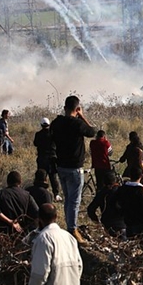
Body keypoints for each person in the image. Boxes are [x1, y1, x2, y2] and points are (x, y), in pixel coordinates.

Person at [50, 95, 98, 244]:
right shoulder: (77, 124)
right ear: (77, 109)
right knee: (74, 201)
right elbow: (92, 132)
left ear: (64, 108)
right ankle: (72, 229)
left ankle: (69, 226)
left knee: (68, 199)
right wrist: (82, 116)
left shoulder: (56, 123)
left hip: (61, 167)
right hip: (74, 168)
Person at [113, 166, 143, 238]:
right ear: (141, 176)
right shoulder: (140, 190)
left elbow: (116, 203)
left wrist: (122, 213)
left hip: (127, 223)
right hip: (141, 224)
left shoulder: (122, 189)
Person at [86, 170, 123, 236]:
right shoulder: (122, 191)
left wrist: (98, 223)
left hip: (107, 226)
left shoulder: (101, 193)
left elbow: (90, 209)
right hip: (123, 226)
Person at [34, 118, 61, 196]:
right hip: (52, 158)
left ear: (41, 125)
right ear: (49, 124)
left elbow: (35, 143)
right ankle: (56, 194)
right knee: (53, 177)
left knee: (41, 177)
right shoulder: (53, 134)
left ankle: (41, 193)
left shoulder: (38, 134)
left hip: (42, 158)